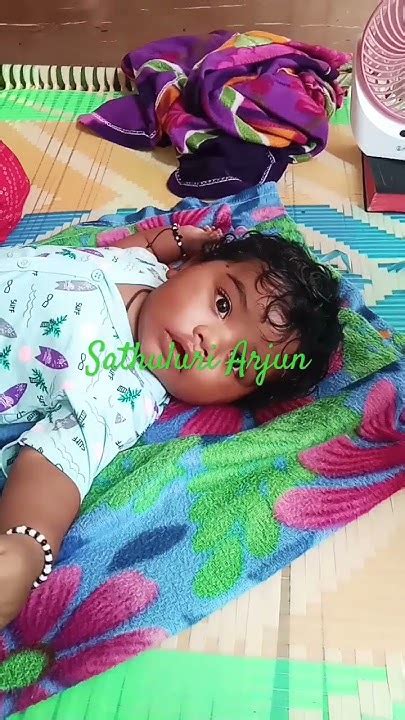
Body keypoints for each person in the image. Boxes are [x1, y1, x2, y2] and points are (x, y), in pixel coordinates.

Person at [0, 224, 342, 627]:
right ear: (191, 267)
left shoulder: (121, 391)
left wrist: (28, 548)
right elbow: (142, 244)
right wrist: (180, 239)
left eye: (237, 363)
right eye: (223, 304)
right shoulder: (144, 268)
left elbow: (55, 465)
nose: (210, 341)